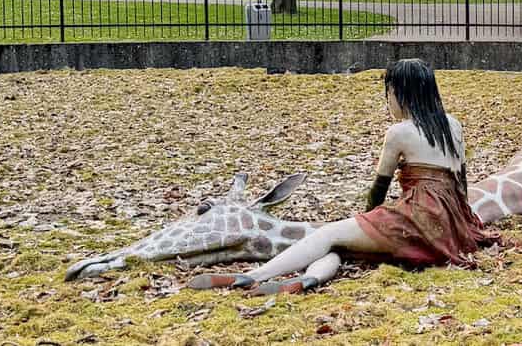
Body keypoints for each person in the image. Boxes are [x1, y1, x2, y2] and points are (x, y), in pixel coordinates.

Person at [187, 59, 499, 295]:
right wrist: (462, 223)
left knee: (327, 235)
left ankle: (253, 276)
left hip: (418, 219)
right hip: (451, 224)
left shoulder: (399, 132)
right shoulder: (453, 125)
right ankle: (308, 279)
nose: (388, 100)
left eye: (389, 92)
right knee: (340, 247)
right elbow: (461, 181)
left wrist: (369, 219)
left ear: (401, 93)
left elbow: (379, 187)